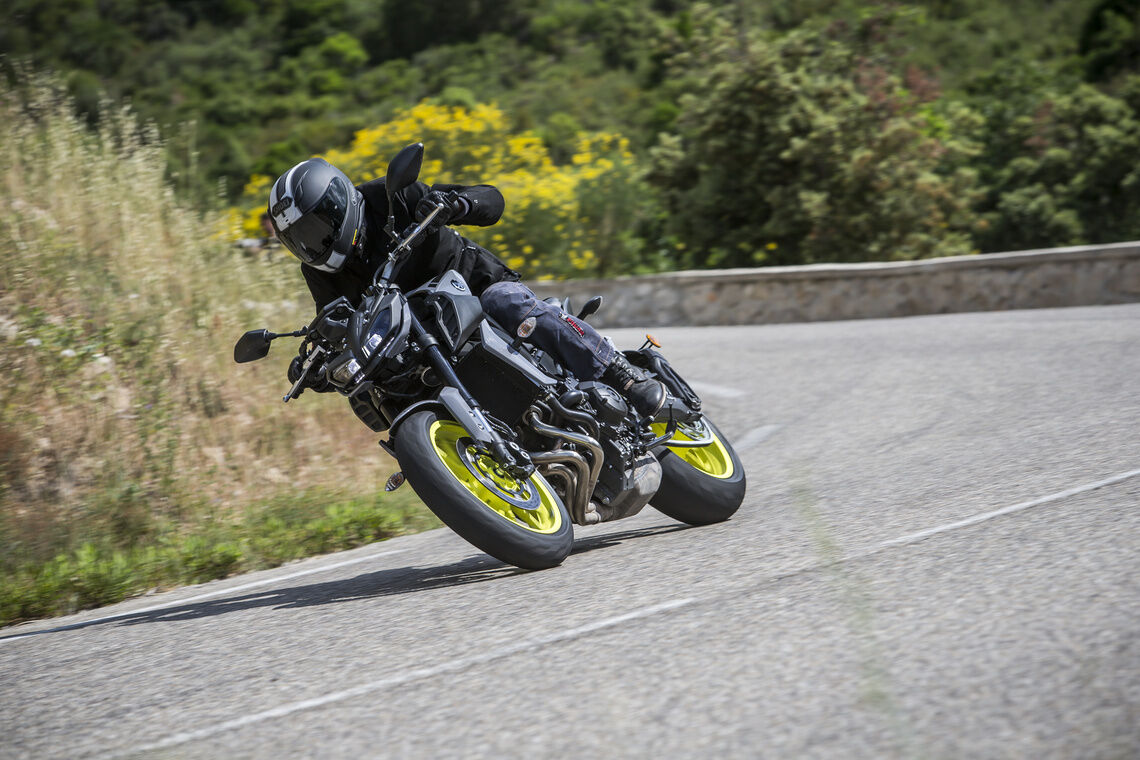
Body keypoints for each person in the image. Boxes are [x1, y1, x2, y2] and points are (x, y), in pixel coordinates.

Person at [266, 156, 665, 417]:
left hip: (474, 290)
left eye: (316, 227)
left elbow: (492, 200)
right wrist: (318, 360)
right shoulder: (318, 269)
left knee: (506, 303)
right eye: (299, 238)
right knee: (373, 388)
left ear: (339, 202)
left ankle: (621, 373)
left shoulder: (394, 196)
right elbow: (336, 318)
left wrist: (456, 204)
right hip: (420, 336)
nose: (311, 243)